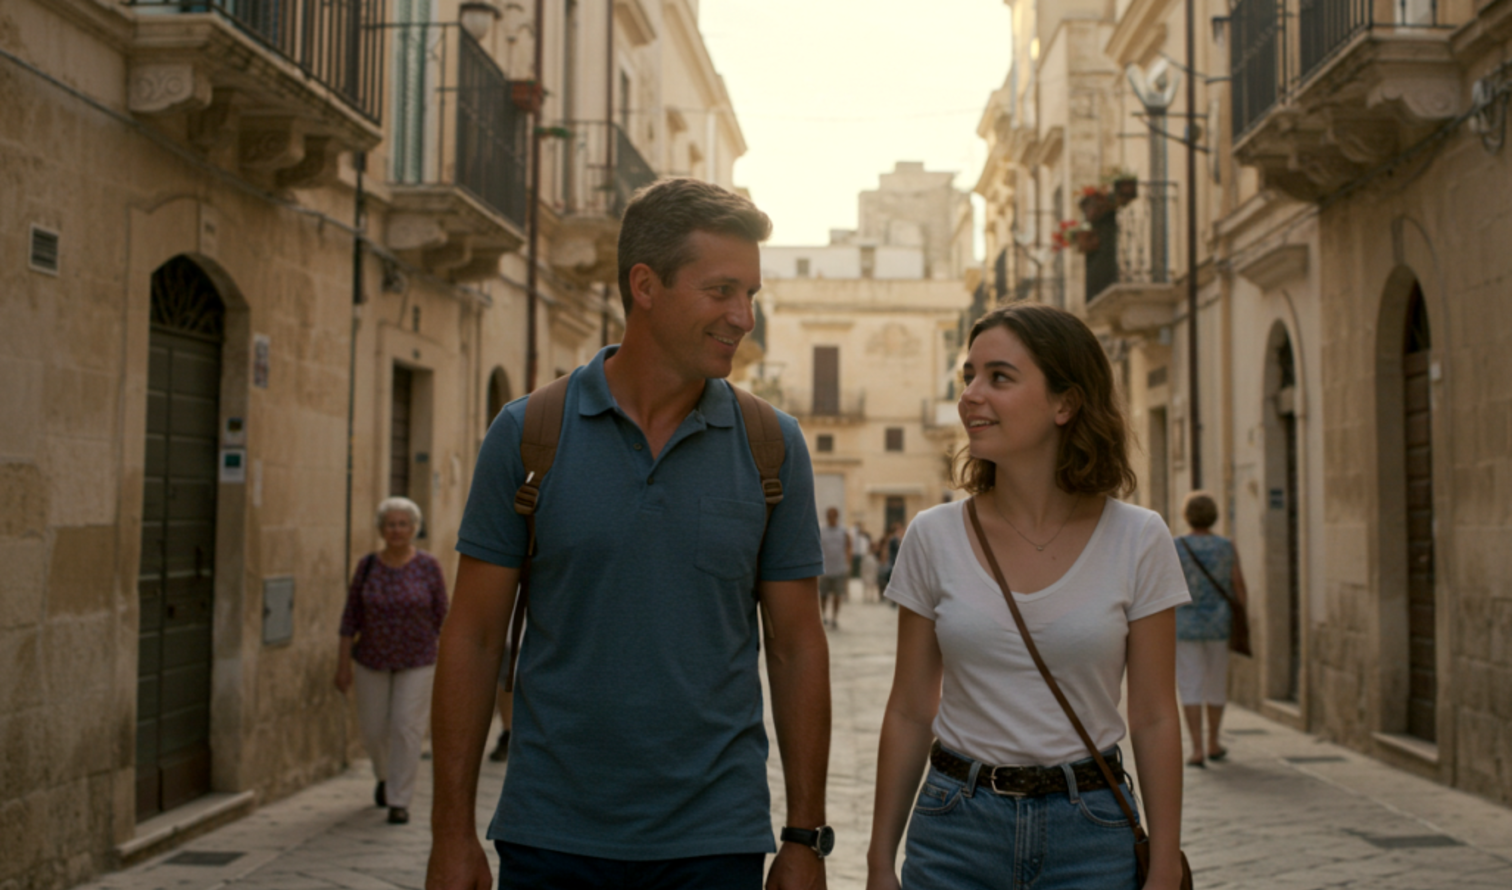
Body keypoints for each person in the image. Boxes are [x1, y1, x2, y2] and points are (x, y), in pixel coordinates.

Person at [427, 178, 833, 890]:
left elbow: (797, 646)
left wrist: (804, 839)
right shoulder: (528, 436)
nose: (744, 317)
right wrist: (451, 834)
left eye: (752, 296)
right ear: (645, 285)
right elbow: (473, 637)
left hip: (716, 840)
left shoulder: (773, 446)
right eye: (722, 291)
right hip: (550, 836)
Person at [866, 303, 1190, 890]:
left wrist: (1165, 860)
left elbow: (1155, 715)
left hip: (1092, 830)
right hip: (954, 828)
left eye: (999, 377)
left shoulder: (1139, 539)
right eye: (968, 376)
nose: (970, 395)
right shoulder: (932, 537)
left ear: (1066, 403)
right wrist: (878, 862)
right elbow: (911, 709)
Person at [335, 496, 450, 826]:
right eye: (391, 524)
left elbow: (443, 616)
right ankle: (384, 775)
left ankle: (400, 799)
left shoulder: (428, 566)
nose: (397, 530)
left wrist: (448, 664)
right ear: (381, 529)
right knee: (372, 730)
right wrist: (342, 665)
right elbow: (350, 618)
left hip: (418, 660)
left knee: (406, 727)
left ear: (414, 528)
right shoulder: (367, 565)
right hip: (371, 659)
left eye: (403, 524)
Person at [1173, 491, 1249, 768]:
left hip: (1185, 625)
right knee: (1216, 682)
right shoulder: (1226, 546)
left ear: (1187, 516)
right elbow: (1238, 586)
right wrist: (1242, 617)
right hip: (1219, 624)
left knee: (1190, 684)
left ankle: (1196, 748)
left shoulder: (1176, 546)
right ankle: (1214, 741)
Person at [819, 507, 852, 630]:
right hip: (825, 568)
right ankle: (823, 615)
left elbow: (848, 546)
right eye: (829, 516)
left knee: (837, 595)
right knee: (823, 595)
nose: (831, 518)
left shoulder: (843, 531)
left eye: (834, 516)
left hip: (839, 568)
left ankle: (835, 617)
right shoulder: (822, 531)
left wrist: (848, 563)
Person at [856, 522, 879, 603]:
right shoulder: (868, 556)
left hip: (870, 565)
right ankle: (867, 597)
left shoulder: (866, 538)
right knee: (866, 583)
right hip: (866, 564)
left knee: (871, 583)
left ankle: (870, 597)